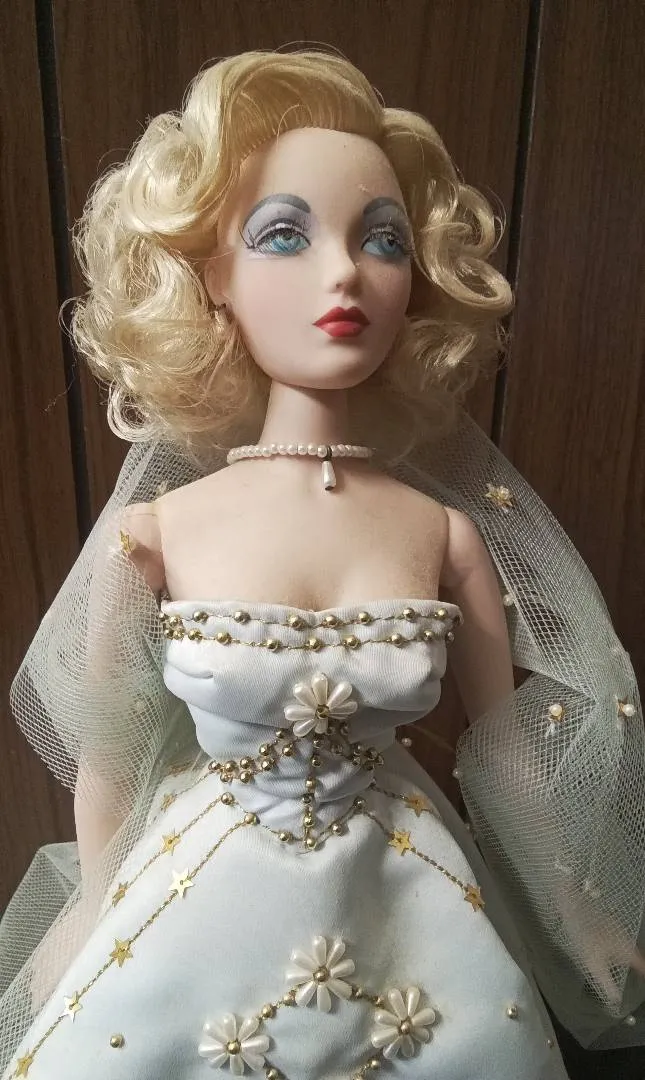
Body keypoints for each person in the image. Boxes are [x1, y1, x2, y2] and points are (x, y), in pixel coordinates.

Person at [1, 49, 643, 1079]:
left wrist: (574, 912)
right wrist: (88, 909)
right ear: (212, 275)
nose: (343, 274)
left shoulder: (443, 534)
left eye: (382, 241)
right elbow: (110, 763)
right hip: (201, 894)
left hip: (404, 896)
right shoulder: (157, 533)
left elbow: (504, 751)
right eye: (284, 235)